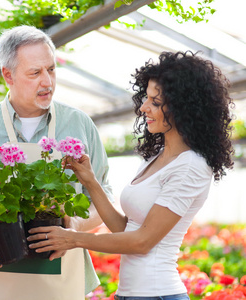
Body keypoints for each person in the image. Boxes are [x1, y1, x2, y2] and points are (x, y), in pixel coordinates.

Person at [28, 51, 235, 300]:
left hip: (158, 294)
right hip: (128, 295)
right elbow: (125, 229)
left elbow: (142, 242)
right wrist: (90, 182)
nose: (144, 108)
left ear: (184, 108)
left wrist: (72, 239)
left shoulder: (191, 166)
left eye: (155, 102)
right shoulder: (157, 156)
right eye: (146, 98)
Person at [0, 25, 114, 300]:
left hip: (61, 283)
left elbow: (105, 197)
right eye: (35, 73)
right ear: (7, 75)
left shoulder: (79, 124)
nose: (48, 82)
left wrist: (75, 227)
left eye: (51, 69)